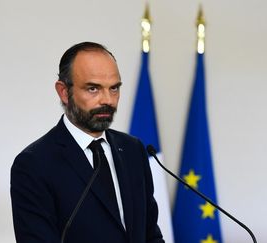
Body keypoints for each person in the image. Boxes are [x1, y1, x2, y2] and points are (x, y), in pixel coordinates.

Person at [10, 42, 164, 243]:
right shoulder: (34, 164)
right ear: (64, 92)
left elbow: (150, 234)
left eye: (114, 88)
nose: (107, 100)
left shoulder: (132, 150)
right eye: (93, 89)